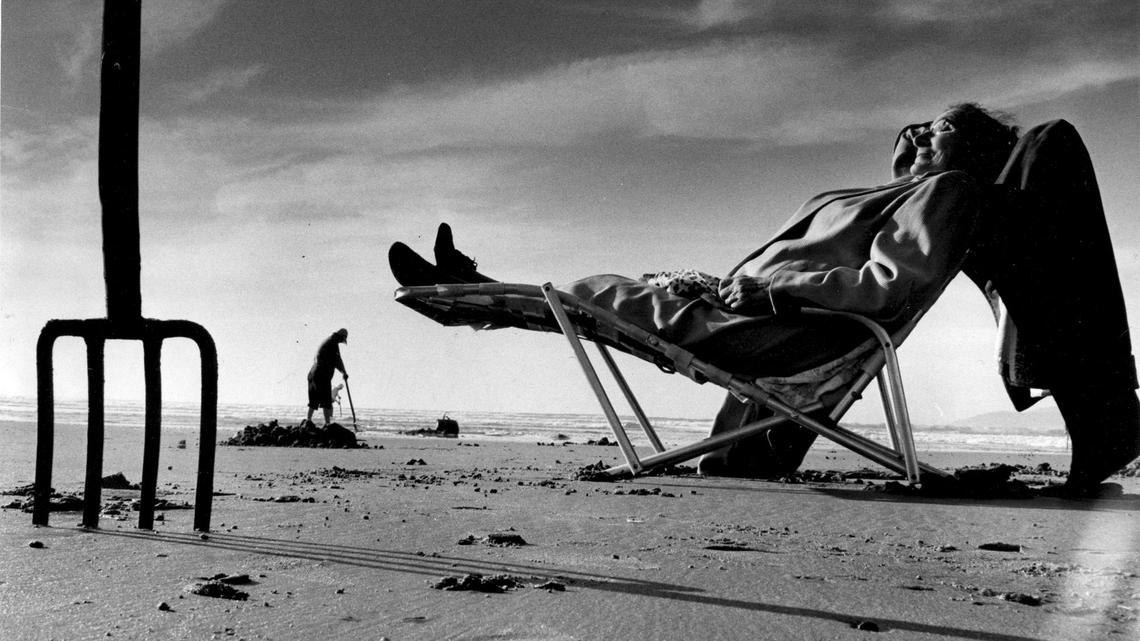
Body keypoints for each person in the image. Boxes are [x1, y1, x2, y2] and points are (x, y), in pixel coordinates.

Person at [391, 102, 1139, 495]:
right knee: (606, 293)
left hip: (792, 334)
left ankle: (471, 293)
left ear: (971, 147)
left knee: (593, 291)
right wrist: (726, 284)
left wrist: (765, 288)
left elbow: (885, 288)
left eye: (938, 126)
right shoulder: (911, 187)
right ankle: (473, 289)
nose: (917, 134)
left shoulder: (946, 192)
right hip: (762, 316)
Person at [306, 328, 348, 426]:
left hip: (313, 373)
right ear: (341, 337)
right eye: (342, 340)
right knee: (326, 400)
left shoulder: (328, 340)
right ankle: (327, 424)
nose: (341, 342)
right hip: (321, 374)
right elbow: (338, 360)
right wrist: (344, 372)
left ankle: (308, 420)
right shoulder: (333, 343)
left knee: (314, 399)